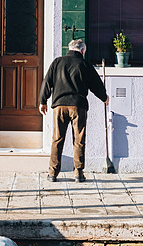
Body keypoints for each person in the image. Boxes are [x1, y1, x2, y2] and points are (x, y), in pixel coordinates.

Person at [37, 39, 109, 183]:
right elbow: (96, 84)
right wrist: (104, 97)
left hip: (59, 106)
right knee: (79, 140)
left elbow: (47, 81)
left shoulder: (57, 62)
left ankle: (52, 173)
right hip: (78, 106)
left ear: (69, 49)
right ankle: (78, 173)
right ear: (82, 51)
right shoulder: (85, 64)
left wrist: (42, 101)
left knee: (57, 139)